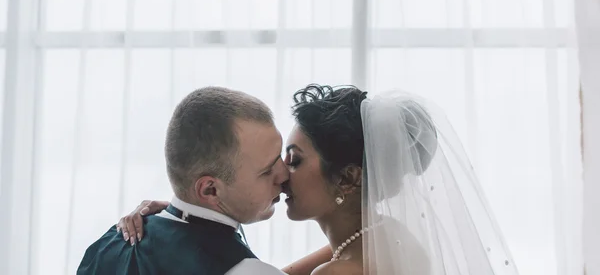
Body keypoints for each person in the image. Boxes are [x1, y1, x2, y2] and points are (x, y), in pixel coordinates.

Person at [117, 85, 520, 274]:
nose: (279, 174)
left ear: (347, 179)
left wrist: (179, 218)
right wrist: (179, 213)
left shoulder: (343, 270)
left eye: (292, 161)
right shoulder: (386, 236)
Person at [77, 86, 324, 275]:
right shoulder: (244, 269)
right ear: (210, 189)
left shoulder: (103, 247)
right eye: (267, 170)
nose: (284, 175)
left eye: (281, 156)